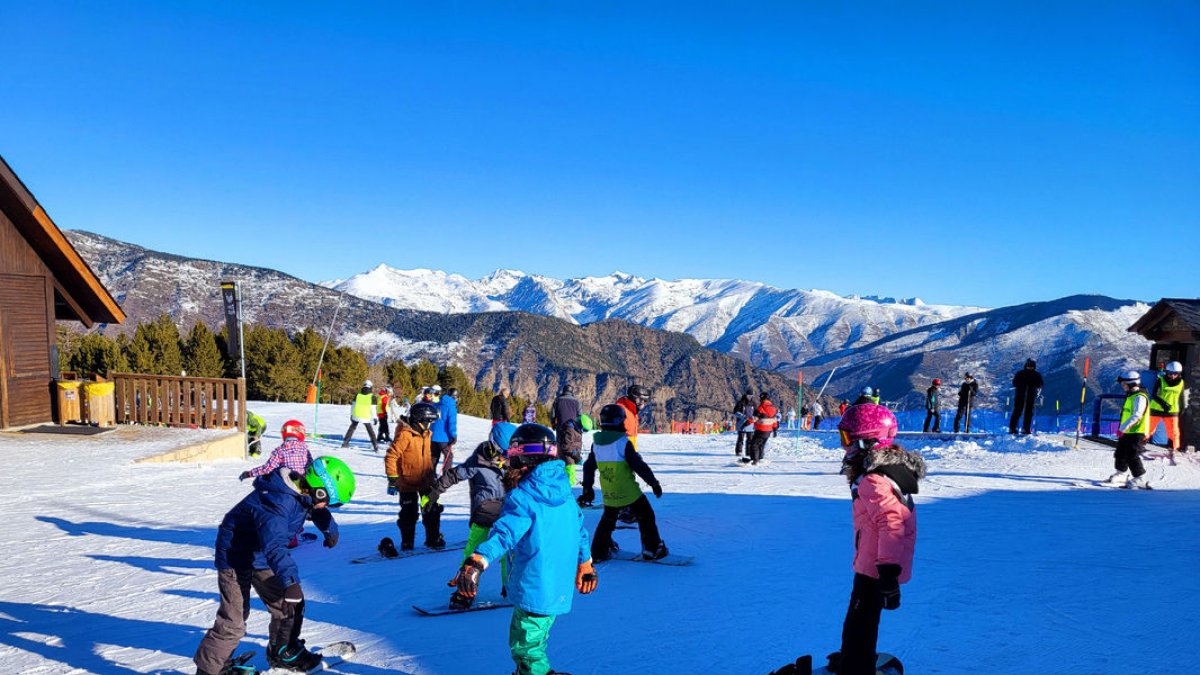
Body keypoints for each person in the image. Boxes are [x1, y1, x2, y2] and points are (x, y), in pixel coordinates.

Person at [453, 424, 596, 675]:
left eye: (512, 457)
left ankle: (535, 673)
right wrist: (585, 563)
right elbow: (580, 531)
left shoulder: (524, 497)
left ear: (522, 456)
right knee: (536, 637)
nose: (508, 464)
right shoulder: (563, 492)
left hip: (534, 585)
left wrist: (477, 560)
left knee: (525, 644)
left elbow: (504, 534)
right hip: (557, 586)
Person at [193, 456, 355, 675]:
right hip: (236, 557)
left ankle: (283, 652)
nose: (329, 507)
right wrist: (291, 582)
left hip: (260, 556)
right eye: (330, 501)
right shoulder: (277, 502)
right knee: (234, 622)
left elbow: (317, 510)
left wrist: (330, 530)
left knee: (288, 604)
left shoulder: (301, 493)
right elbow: (275, 546)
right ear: (318, 491)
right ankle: (210, 670)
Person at [832, 404, 925, 675]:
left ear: (867, 440)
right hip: (876, 562)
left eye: (847, 438)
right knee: (863, 619)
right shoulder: (883, 472)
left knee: (859, 622)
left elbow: (891, 523)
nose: (844, 446)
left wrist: (887, 574)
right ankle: (856, 658)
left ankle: (856, 665)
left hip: (876, 567)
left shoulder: (873, 480)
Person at [429, 422, 517, 609]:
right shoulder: (478, 462)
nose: (506, 458)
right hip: (484, 516)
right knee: (472, 555)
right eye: (503, 453)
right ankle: (463, 592)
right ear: (493, 446)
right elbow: (453, 475)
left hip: (507, 516)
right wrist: (434, 492)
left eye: (510, 454)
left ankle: (511, 588)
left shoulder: (514, 463)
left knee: (509, 555)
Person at [579, 404, 667, 561]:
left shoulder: (597, 444)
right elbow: (638, 465)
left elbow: (588, 467)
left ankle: (598, 552)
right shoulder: (622, 443)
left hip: (609, 493)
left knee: (607, 521)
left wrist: (587, 488)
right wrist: (654, 483)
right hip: (629, 492)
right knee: (646, 515)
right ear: (619, 421)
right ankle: (652, 549)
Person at [385, 402, 444, 551]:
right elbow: (391, 456)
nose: (430, 425)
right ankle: (407, 543)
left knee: (431, 510)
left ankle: (433, 539)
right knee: (408, 514)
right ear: (420, 421)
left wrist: (431, 475)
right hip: (407, 481)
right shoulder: (406, 434)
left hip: (425, 480)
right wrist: (392, 479)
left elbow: (426, 456)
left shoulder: (426, 434)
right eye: (429, 421)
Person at [1105, 371, 1152, 489]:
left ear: (1131, 384)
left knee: (1132, 454)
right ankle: (1121, 473)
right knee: (1120, 452)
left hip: (1137, 431)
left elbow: (1137, 415)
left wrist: (1122, 428)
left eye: (1124, 384)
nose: (1122, 386)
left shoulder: (1140, 397)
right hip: (1128, 431)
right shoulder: (1131, 395)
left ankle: (1140, 478)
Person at [1148, 361, 1188, 459]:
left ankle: (1173, 449)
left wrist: (1182, 409)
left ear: (1179, 373)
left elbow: (1181, 397)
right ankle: (1138, 444)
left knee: (1173, 431)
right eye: (1170, 373)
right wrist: (1164, 404)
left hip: (1172, 411)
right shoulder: (1161, 380)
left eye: (1175, 373)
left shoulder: (1181, 382)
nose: (1172, 375)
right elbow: (1154, 395)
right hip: (1156, 409)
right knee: (1148, 428)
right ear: (1166, 372)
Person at [551, 384, 584, 485]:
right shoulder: (576, 401)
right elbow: (580, 416)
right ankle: (570, 475)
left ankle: (561, 473)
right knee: (570, 447)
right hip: (572, 429)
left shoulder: (557, 400)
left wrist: (553, 424)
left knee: (560, 449)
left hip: (560, 427)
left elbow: (552, 414)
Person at [340, 380, 380, 452]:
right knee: (370, 431)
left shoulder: (357, 395)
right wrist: (375, 418)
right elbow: (373, 409)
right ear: (371, 387)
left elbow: (353, 406)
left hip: (356, 415)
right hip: (366, 417)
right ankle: (375, 445)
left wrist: (351, 415)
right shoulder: (372, 397)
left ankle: (345, 443)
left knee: (352, 428)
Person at [742, 392, 779, 465]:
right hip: (769, 430)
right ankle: (760, 458)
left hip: (761, 429)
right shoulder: (773, 408)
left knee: (754, 444)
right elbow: (775, 420)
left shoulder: (761, 407)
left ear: (762, 398)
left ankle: (754, 460)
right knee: (761, 445)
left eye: (760, 398)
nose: (759, 399)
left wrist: (746, 423)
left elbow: (754, 418)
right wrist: (775, 430)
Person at [1009, 359, 1043, 435]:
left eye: (1031, 367)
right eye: (1028, 366)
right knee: (1017, 411)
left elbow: (1040, 384)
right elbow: (1014, 383)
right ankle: (1012, 428)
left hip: (1030, 396)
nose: (1030, 368)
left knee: (1028, 413)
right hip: (1020, 395)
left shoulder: (1036, 374)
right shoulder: (1020, 373)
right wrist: (1022, 383)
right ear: (1026, 366)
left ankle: (1025, 428)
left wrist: (1033, 384)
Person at [431, 387, 459, 476]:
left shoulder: (437, 404)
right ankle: (446, 476)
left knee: (434, 455)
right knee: (448, 456)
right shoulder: (451, 406)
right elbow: (452, 423)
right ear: (454, 397)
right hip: (443, 437)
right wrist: (453, 435)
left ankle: (430, 474)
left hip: (433, 434)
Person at [733, 391, 755, 457]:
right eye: (748, 395)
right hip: (741, 424)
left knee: (750, 439)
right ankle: (739, 451)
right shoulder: (740, 403)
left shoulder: (754, 403)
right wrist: (743, 416)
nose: (750, 396)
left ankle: (748, 452)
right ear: (745, 395)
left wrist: (754, 418)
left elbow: (756, 413)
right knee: (740, 439)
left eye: (751, 395)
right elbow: (735, 412)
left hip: (750, 424)